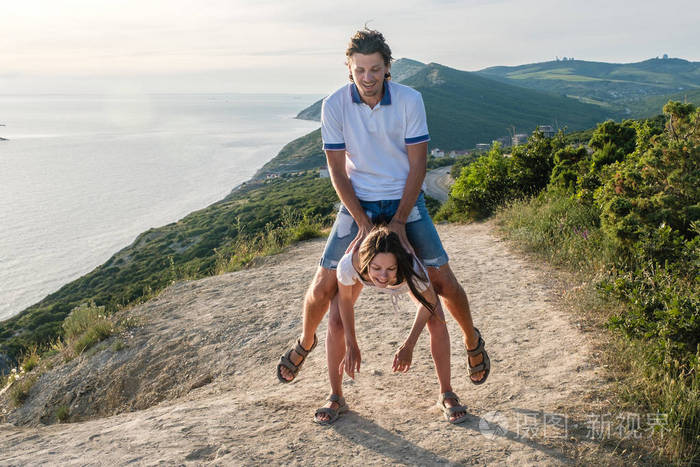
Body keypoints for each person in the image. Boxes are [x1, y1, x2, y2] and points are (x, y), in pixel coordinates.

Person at [276, 28, 490, 414]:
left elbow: (418, 164)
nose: (368, 77)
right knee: (324, 284)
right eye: (360, 69)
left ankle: (472, 339)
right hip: (356, 201)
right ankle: (306, 341)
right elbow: (337, 171)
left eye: (375, 69)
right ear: (350, 69)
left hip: (404, 197)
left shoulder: (410, 100)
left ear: (387, 68)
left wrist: (400, 220)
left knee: (441, 280)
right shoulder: (334, 104)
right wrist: (361, 222)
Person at [313, 225, 469, 425]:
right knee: (335, 322)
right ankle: (335, 397)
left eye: (390, 269)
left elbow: (429, 302)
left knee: (437, 319)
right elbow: (344, 301)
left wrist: (409, 345)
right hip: (365, 271)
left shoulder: (412, 268)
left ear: (399, 265)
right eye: (376, 268)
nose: (383, 276)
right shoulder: (348, 264)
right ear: (365, 262)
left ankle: (447, 394)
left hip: (405, 281)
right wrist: (351, 344)